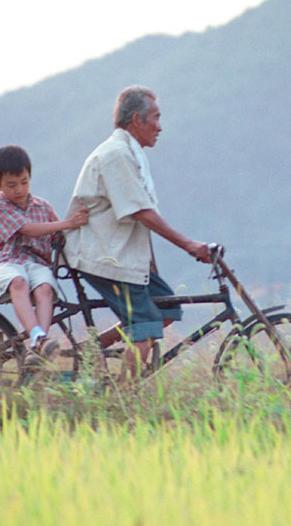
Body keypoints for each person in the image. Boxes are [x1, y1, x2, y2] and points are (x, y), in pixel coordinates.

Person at [63, 85, 211, 378]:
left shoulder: (130, 153)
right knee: (143, 328)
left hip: (124, 256)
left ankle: (92, 348)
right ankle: (123, 400)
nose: (159, 126)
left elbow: (142, 211)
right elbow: (140, 211)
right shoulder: (116, 154)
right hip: (105, 256)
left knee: (166, 309)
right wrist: (188, 244)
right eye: (155, 118)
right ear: (136, 121)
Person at [0, 145, 88, 361]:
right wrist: (68, 223)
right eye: (11, 185)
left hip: (37, 264)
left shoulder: (43, 206)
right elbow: (27, 228)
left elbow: (58, 237)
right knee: (18, 281)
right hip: (7, 262)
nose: (19, 189)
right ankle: (38, 337)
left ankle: (39, 346)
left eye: (24, 182)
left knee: (45, 288)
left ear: (30, 177)